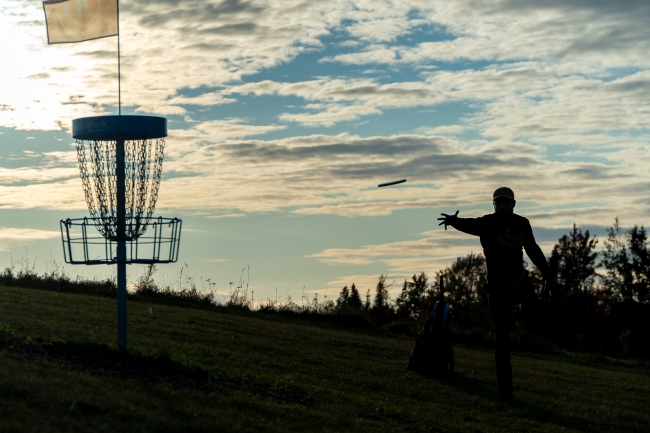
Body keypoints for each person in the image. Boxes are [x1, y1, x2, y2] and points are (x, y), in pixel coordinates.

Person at [437, 187, 553, 403]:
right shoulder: (487, 223)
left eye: (505, 202)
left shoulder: (522, 223)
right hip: (497, 290)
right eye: (498, 203)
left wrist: (547, 272)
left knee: (534, 309)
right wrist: (454, 221)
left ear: (513, 204)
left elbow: (532, 248)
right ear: (494, 205)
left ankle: (523, 313)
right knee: (502, 340)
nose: (501, 206)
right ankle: (504, 389)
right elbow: (469, 224)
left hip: (519, 282)